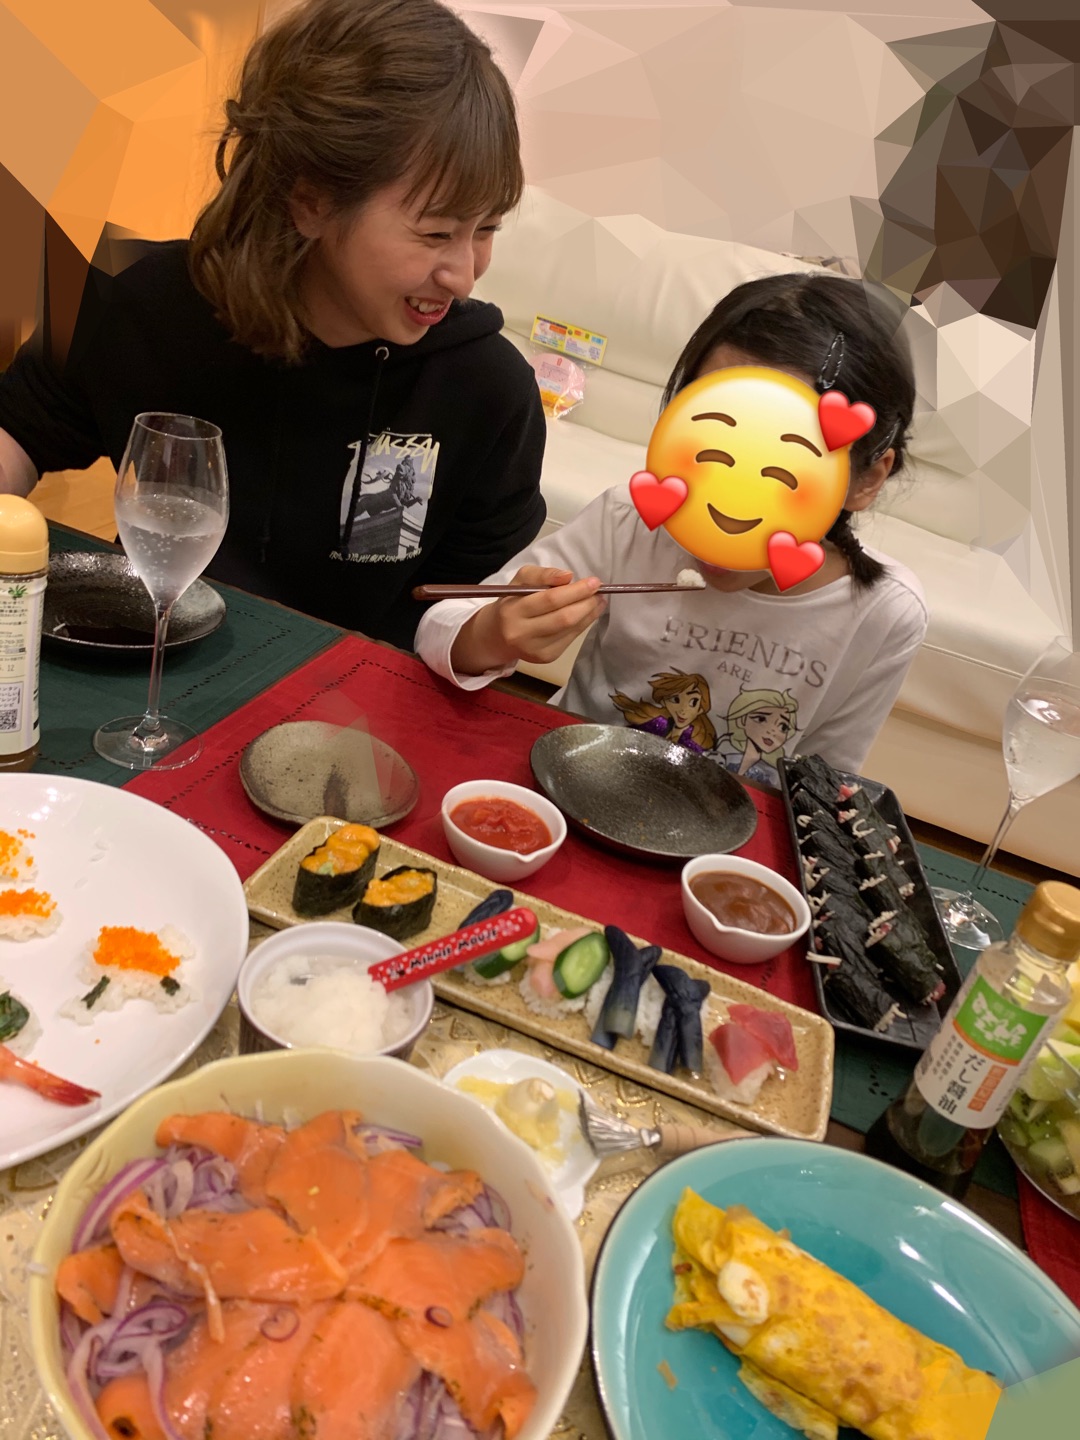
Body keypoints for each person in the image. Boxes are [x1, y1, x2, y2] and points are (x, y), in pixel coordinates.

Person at [0, 0, 546, 650]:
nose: (464, 275)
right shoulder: (142, 298)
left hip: (354, 704)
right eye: (435, 233)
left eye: (486, 229)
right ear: (312, 201)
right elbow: (20, 427)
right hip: (145, 659)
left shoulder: (489, 391)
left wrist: (492, 637)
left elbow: (467, 613)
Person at [417, 273, 929, 780]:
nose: (730, 503)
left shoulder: (883, 614)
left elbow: (828, 781)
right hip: (572, 778)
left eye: (780, 470)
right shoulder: (629, 522)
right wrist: (493, 633)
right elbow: (443, 626)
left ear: (866, 479)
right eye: (712, 446)